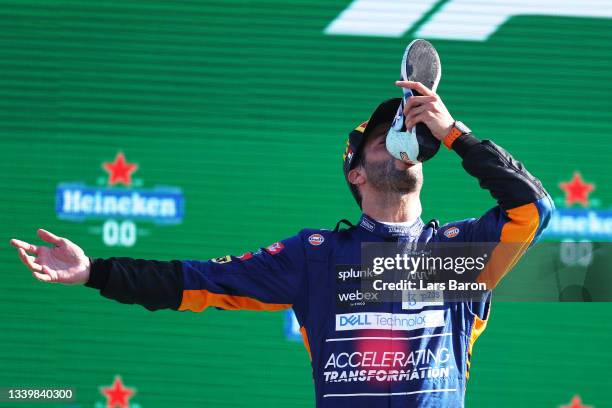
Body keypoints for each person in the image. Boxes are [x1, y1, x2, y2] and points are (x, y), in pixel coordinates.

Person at [10, 80, 554, 407]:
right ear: (355, 174)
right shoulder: (316, 257)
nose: (400, 145)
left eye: (407, 138)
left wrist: (453, 130)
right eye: (381, 141)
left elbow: (533, 208)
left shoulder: (458, 256)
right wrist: (94, 272)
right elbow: (195, 281)